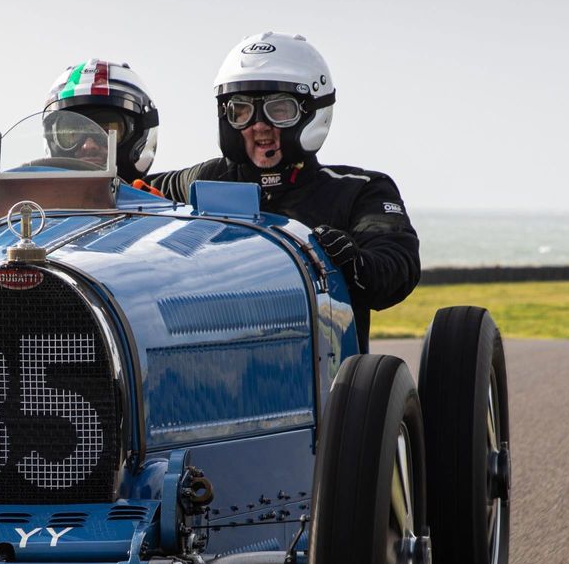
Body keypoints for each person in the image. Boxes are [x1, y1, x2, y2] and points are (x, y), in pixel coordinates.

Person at [147, 32, 420, 346]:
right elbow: (135, 194)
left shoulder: (359, 191)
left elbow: (398, 269)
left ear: (313, 113)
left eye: (279, 109)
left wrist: (352, 261)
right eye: (242, 110)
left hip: (327, 376)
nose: (259, 125)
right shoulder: (209, 177)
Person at [40, 58, 161, 182]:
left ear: (140, 131)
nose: (88, 146)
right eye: (73, 134)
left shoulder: (161, 195)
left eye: (106, 131)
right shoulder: (32, 198)